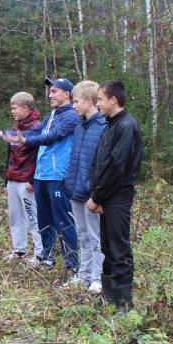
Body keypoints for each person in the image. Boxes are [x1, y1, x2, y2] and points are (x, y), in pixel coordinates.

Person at [9, 77, 81, 275]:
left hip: (58, 176)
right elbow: (36, 132)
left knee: (63, 221)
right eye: (50, 91)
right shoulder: (51, 115)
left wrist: (25, 140)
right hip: (42, 174)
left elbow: (51, 137)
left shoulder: (70, 117)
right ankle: (47, 257)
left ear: (67, 94)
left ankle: (72, 266)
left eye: (54, 91)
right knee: (44, 219)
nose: (50, 95)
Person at [87, 80, 143, 311]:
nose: (97, 103)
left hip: (118, 195)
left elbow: (117, 167)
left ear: (113, 100)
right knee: (107, 247)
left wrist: (98, 197)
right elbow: (99, 162)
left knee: (119, 248)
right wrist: (96, 194)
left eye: (100, 99)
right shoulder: (110, 125)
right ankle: (108, 295)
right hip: (106, 195)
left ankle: (123, 301)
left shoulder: (127, 126)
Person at [0, 92, 43, 261]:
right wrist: (6, 181)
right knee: (15, 217)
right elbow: (10, 156)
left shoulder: (37, 128)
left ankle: (40, 253)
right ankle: (19, 250)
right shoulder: (17, 127)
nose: (12, 111)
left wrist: (32, 181)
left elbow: (40, 156)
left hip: (27, 183)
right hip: (13, 180)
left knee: (33, 218)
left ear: (25, 108)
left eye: (14, 108)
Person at [62, 81, 107, 294]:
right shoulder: (80, 127)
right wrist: (70, 182)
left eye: (77, 101)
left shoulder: (104, 126)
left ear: (90, 101)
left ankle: (98, 278)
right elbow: (76, 159)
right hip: (76, 190)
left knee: (96, 235)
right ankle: (84, 274)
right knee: (83, 235)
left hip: (92, 194)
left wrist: (95, 190)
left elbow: (103, 163)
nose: (74, 106)